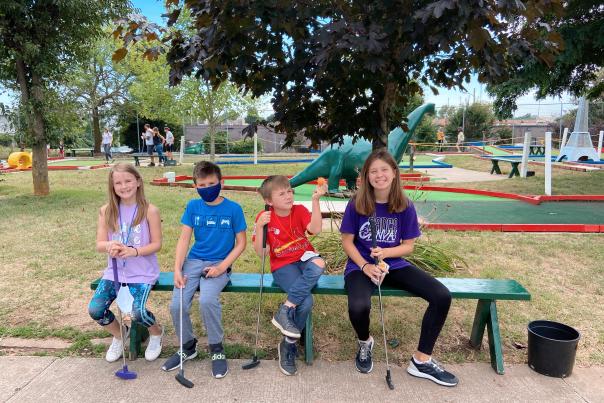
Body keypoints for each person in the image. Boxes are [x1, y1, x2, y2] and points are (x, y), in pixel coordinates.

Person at [340, 149, 458, 387]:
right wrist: (364, 266)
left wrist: (385, 253)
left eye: (384, 169)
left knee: (441, 296)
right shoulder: (357, 204)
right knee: (358, 306)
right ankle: (365, 342)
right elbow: (347, 241)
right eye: (373, 171)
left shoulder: (404, 205)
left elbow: (408, 247)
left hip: (394, 264)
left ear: (394, 173)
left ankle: (421, 361)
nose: (379, 175)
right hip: (361, 267)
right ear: (366, 176)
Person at [162, 161, 247, 378]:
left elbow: (241, 244)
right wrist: (177, 269)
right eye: (202, 184)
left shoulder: (233, 209)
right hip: (193, 261)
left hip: (219, 263)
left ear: (221, 183)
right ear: (195, 186)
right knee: (176, 304)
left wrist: (221, 268)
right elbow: (184, 239)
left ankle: (217, 349)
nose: (207, 187)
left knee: (207, 301)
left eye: (211, 183)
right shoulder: (193, 206)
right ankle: (188, 345)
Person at [88, 162, 164, 363]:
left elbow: (157, 244)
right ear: (112, 186)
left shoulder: (150, 211)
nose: (124, 186)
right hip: (114, 273)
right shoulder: (107, 211)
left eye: (128, 181)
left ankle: (156, 333)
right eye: (118, 183)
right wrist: (109, 246)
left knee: (137, 313)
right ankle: (120, 334)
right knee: (95, 309)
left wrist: (133, 251)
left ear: (138, 181)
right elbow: (99, 243)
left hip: (142, 273)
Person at [253, 175, 327, 376]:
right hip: (283, 265)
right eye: (281, 193)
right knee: (307, 301)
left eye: (289, 191)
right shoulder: (265, 217)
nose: (288, 196)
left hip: (304, 258)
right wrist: (260, 227)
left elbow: (315, 229)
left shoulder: (300, 210)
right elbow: (262, 253)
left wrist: (315, 200)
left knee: (319, 262)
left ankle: (285, 310)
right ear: (269, 201)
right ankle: (289, 345)